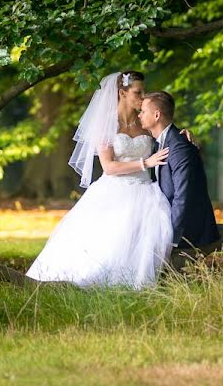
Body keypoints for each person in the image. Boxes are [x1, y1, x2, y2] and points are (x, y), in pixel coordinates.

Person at [25, 70, 173, 288]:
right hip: (114, 189)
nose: (143, 97)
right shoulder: (106, 124)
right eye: (138, 92)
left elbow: (164, 131)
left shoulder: (144, 119)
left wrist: (184, 134)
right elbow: (109, 167)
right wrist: (145, 163)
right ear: (122, 92)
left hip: (144, 189)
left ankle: (137, 281)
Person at [138, 91, 220, 251]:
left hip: (185, 229)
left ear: (157, 115)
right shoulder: (157, 143)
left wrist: (172, 237)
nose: (139, 115)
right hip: (161, 215)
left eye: (143, 111)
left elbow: (183, 195)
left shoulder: (179, 146)